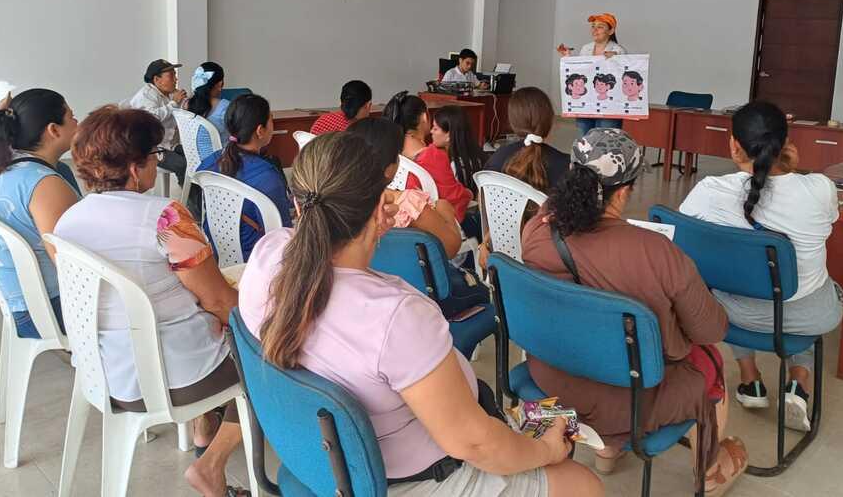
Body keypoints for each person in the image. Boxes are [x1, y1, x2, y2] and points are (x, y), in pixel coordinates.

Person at [238, 133, 603, 497]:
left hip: (319, 462)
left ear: (298, 205)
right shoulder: (395, 315)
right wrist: (546, 449)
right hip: (408, 481)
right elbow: (475, 445)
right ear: (385, 207)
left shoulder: (267, 254)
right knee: (584, 485)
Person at [520, 129, 747, 494]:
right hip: (629, 398)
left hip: (550, 376)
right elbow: (710, 330)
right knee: (708, 360)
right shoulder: (655, 252)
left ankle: (607, 452)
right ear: (624, 191)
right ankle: (710, 468)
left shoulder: (538, 229)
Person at [54, 106, 247, 497]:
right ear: (135, 166)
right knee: (272, 356)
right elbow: (218, 300)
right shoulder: (165, 217)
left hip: (108, 371)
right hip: (174, 376)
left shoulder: (69, 220)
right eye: (154, 157)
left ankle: (202, 427)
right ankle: (210, 466)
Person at [679, 101, 843, 432]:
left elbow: (679, 237)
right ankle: (799, 383)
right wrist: (795, 172)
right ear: (785, 143)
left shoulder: (709, 192)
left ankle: (751, 381)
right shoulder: (821, 188)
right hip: (806, 314)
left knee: (731, 285)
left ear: (734, 145)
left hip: (737, 314)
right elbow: (827, 220)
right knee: (819, 283)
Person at [349, 117, 490, 318]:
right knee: (482, 291)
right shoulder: (409, 203)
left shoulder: (344, 204)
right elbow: (451, 248)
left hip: (374, 298)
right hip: (428, 299)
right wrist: (446, 212)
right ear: (390, 168)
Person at [0, 89, 81, 339]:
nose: (77, 123)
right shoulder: (45, 184)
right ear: (53, 130)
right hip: (44, 311)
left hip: (22, 304)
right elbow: (72, 263)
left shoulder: (9, 167)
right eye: (71, 116)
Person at [197, 93, 292, 261]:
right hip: (256, 259)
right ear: (260, 130)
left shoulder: (210, 162)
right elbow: (282, 232)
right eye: (271, 119)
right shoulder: (267, 176)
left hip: (217, 251)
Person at [383, 92, 473, 225]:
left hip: (397, 225)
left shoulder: (388, 152)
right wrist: (469, 193)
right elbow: (454, 199)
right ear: (425, 117)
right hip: (437, 229)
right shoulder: (433, 156)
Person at [483, 87, 570, 194]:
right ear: (550, 120)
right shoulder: (565, 164)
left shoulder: (497, 158)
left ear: (513, 122)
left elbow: (484, 201)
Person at [556, 13, 628, 136]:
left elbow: (625, 78)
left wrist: (616, 60)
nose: (595, 30)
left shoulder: (619, 50)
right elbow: (580, 74)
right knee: (584, 140)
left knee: (605, 139)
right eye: (593, 26)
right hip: (586, 104)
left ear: (611, 31)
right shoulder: (585, 49)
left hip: (609, 106)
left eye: (600, 27)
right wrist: (568, 58)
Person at [428, 105, 486, 240]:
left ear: (449, 135)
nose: (431, 131)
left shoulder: (456, 166)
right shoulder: (471, 157)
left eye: (435, 128)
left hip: (465, 224)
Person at [128, 59, 188, 185]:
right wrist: (174, 103)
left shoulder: (166, 94)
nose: (176, 79)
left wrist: (183, 105)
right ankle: (190, 203)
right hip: (150, 149)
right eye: (171, 76)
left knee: (196, 158)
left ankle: (198, 200)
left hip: (168, 145)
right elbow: (152, 119)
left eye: (175, 75)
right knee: (183, 165)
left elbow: (172, 118)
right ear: (156, 79)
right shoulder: (146, 95)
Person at [186, 62, 230, 158]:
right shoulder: (225, 107)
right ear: (220, 84)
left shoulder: (187, 105)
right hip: (221, 164)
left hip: (194, 163)